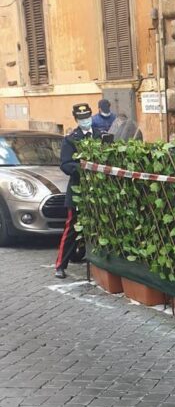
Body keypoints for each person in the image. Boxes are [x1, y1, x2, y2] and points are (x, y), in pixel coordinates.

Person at [55, 103, 94, 279]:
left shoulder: (101, 135)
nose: (86, 120)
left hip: (97, 192)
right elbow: (65, 164)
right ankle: (60, 265)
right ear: (77, 120)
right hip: (78, 190)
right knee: (71, 228)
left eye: (88, 117)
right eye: (82, 118)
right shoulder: (71, 139)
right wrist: (82, 168)